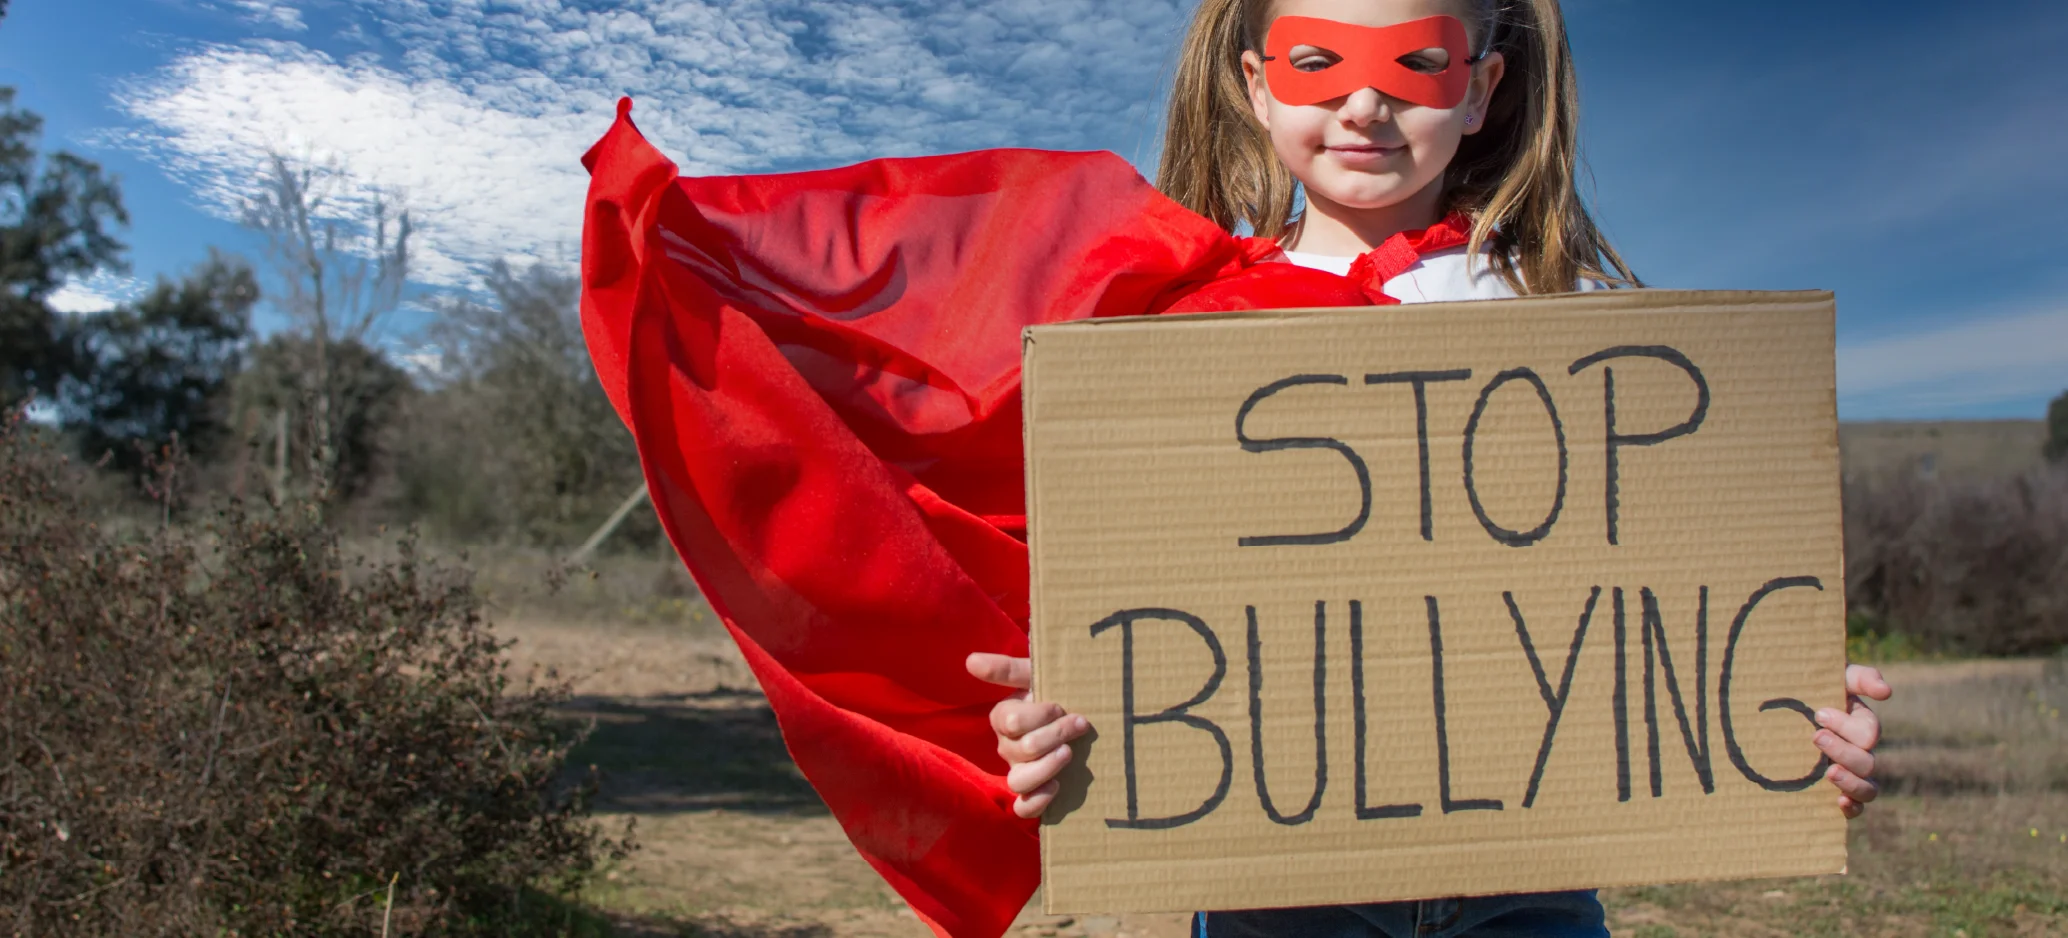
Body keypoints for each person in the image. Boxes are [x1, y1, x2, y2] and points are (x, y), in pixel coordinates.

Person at [574, 0, 1889, 935]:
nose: (1367, 98)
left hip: (1534, 897)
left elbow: (1660, 597)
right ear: (1258, 85)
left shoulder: (1580, 322)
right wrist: (1061, 711)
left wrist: (1787, 715)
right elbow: (1097, 590)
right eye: (1321, 60)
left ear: (1483, 86)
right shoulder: (1173, 329)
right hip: (1278, 904)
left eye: (1417, 62)